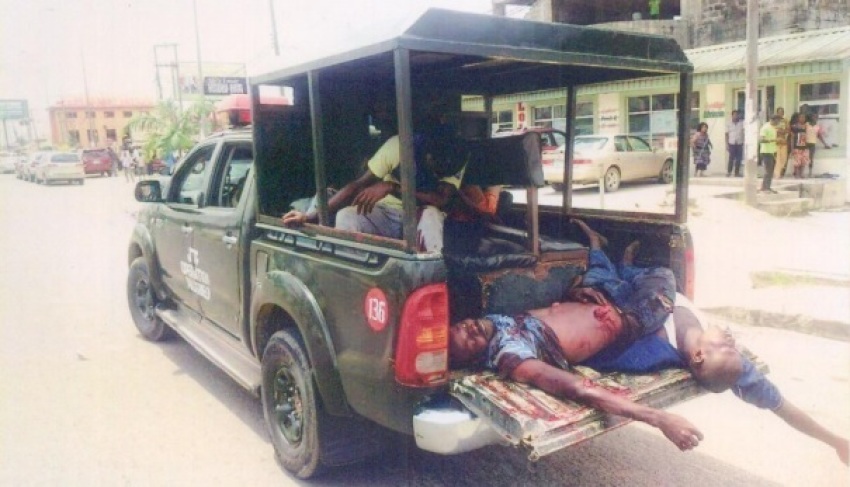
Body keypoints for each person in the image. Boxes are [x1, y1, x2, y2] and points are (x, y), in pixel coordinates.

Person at [449, 230, 850, 463]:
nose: (733, 341)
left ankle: (609, 253)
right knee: (657, 281)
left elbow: (775, 403)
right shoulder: (512, 354)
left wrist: (835, 444)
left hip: (622, 294)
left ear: (698, 358)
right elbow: (578, 386)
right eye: (732, 346)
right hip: (631, 292)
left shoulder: (657, 347)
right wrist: (659, 419)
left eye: (729, 347)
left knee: (642, 282)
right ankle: (612, 254)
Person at [282, 102, 466, 253]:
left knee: (432, 214)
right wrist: (310, 216)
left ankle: (435, 275)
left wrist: (393, 187)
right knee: (346, 215)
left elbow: (441, 200)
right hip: (386, 213)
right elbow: (357, 185)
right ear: (428, 155)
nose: (438, 175)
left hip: (421, 215)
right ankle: (357, 274)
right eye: (436, 169)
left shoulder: (458, 156)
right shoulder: (399, 147)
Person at [758, 114, 780, 194]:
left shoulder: (773, 128)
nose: (778, 123)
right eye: (777, 121)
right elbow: (761, 140)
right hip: (766, 152)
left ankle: (767, 187)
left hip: (772, 151)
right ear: (773, 120)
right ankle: (764, 187)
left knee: (771, 171)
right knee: (768, 170)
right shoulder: (765, 127)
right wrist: (773, 140)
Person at [805, 112, 831, 178]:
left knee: (811, 158)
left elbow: (819, 136)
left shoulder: (817, 126)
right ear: (810, 117)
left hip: (812, 143)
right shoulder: (806, 124)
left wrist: (825, 144)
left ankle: (810, 172)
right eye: (813, 117)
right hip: (805, 143)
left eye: (816, 117)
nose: (815, 118)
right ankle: (800, 172)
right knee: (803, 157)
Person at [790, 112, 810, 179]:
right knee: (797, 162)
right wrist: (792, 148)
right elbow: (792, 138)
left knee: (803, 161)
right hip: (797, 147)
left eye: (804, 117)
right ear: (798, 118)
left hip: (805, 147)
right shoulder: (794, 127)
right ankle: (796, 174)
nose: (802, 119)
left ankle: (801, 174)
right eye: (801, 117)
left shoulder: (807, 127)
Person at [725, 110, 744, 177]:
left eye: (737, 115)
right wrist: (727, 144)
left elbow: (744, 132)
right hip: (731, 143)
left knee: (739, 159)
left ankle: (737, 173)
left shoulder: (742, 123)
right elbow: (726, 134)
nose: (736, 116)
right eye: (734, 115)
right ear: (732, 115)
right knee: (731, 158)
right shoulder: (729, 123)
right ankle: (729, 172)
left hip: (739, 143)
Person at [773, 107, 790, 179]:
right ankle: (777, 174)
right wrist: (778, 131)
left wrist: (782, 131)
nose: (780, 113)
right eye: (779, 112)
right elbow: (772, 130)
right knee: (777, 159)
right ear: (777, 113)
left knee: (784, 158)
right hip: (775, 141)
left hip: (783, 141)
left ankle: (780, 172)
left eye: (782, 112)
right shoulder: (774, 121)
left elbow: (788, 130)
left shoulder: (785, 120)